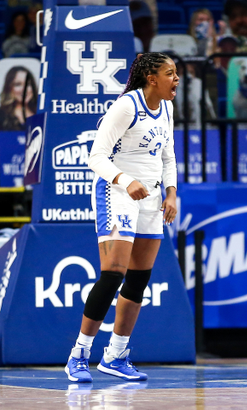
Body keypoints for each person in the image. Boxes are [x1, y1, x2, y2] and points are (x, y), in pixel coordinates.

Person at [65, 52, 179, 383]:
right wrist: (126, 182)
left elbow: (168, 155)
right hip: (117, 192)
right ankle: (79, 353)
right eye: (170, 74)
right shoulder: (127, 106)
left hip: (151, 197)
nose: (176, 79)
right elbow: (96, 156)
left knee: (139, 279)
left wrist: (171, 193)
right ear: (151, 79)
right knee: (114, 273)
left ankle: (115, 355)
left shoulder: (168, 108)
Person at [0, 66, 37, 131]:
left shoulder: (41, 112)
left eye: (28, 84)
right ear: (9, 88)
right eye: (18, 84)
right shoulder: (2, 115)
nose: (24, 89)